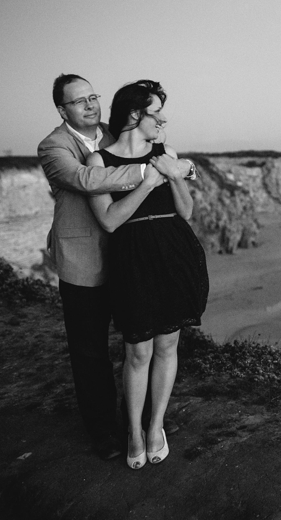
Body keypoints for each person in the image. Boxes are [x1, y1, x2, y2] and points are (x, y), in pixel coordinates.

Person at [38, 74, 195, 460]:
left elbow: (151, 151)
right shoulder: (54, 147)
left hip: (135, 256)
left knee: (140, 343)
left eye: (94, 97)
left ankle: (140, 421)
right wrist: (153, 172)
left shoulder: (117, 131)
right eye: (79, 101)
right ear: (63, 109)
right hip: (84, 259)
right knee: (90, 351)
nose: (90, 105)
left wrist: (182, 169)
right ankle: (104, 431)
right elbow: (86, 179)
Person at [86, 80, 209, 469]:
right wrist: (148, 181)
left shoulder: (166, 153)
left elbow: (186, 212)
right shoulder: (98, 162)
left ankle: (156, 426)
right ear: (135, 115)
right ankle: (134, 431)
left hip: (174, 249)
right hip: (132, 255)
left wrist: (173, 175)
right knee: (137, 350)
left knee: (168, 345)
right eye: (157, 112)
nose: (164, 119)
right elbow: (108, 221)